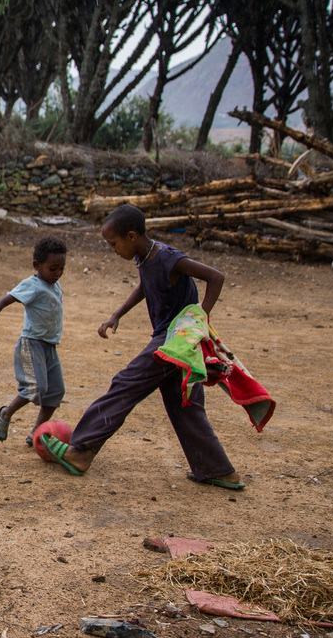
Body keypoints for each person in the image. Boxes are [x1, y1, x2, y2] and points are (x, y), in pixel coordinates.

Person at [40, 204, 243, 489]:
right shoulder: (145, 257)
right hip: (174, 339)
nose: (112, 249)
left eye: (113, 243)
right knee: (185, 404)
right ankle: (217, 469)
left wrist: (199, 318)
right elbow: (146, 286)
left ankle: (81, 451)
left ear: (132, 236)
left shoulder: (168, 258)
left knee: (126, 383)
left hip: (176, 338)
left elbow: (216, 276)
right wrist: (116, 315)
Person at [0, 236, 66, 447]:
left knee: (56, 391)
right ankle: (5, 414)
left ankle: (36, 432)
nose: (57, 274)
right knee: (34, 387)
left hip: (49, 346)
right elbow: (3, 301)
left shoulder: (54, 285)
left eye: (61, 269)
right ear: (37, 266)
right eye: (52, 268)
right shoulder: (32, 285)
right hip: (32, 344)